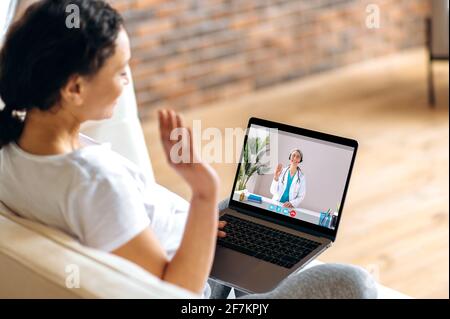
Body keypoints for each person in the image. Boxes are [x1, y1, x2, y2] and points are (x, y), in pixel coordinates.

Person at [0, 0, 377, 299]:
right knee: (353, 283)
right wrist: (203, 188)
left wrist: (198, 220)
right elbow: (177, 292)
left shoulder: (14, 149)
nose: (128, 79)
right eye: (120, 70)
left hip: (194, 245)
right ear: (74, 89)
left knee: (253, 214)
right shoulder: (94, 183)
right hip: (201, 284)